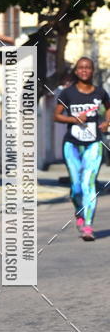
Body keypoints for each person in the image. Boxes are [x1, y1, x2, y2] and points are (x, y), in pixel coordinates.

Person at [54, 57, 110, 241]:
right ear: (76, 71)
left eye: (88, 67)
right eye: (81, 68)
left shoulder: (100, 92)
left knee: (88, 183)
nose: (84, 70)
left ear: (92, 71)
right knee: (76, 187)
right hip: (72, 144)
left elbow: (108, 108)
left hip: (93, 143)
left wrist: (106, 122)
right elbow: (57, 116)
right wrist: (74, 119)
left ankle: (88, 226)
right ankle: (79, 212)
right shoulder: (67, 93)